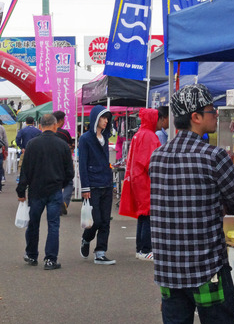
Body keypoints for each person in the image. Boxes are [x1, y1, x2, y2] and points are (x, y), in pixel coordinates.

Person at [149, 84, 234, 324]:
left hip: (168, 269)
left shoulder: (157, 157)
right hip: (207, 269)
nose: (215, 114)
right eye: (211, 110)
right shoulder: (214, 156)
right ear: (195, 117)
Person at [17, 113, 74, 270]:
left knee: (34, 223)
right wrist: (62, 182)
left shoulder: (32, 144)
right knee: (53, 224)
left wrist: (21, 191)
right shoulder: (62, 145)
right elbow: (70, 172)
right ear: (56, 126)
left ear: (40, 126)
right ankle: (50, 258)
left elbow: (25, 170)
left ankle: (31, 254)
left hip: (36, 189)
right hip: (55, 189)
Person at [119, 108, 161, 261]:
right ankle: (145, 248)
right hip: (145, 181)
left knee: (143, 215)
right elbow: (150, 161)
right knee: (147, 215)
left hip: (137, 179)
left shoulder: (139, 134)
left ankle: (141, 249)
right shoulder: (149, 136)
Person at [78, 105, 116, 265]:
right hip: (93, 185)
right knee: (97, 220)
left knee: (106, 220)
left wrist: (111, 181)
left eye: (107, 118)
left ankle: (100, 252)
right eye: (103, 118)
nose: (106, 121)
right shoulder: (85, 138)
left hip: (106, 183)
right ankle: (86, 239)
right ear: (96, 119)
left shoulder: (105, 138)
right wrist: (85, 187)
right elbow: (83, 164)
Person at [53, 111, 74, 215]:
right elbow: (70, 147)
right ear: (61, 120)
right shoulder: (64, 133)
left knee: (55, 183)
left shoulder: (49, 132)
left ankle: (57, 204)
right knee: (69, 182)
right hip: (64, 162)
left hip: (52, 163)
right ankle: (64, 202)